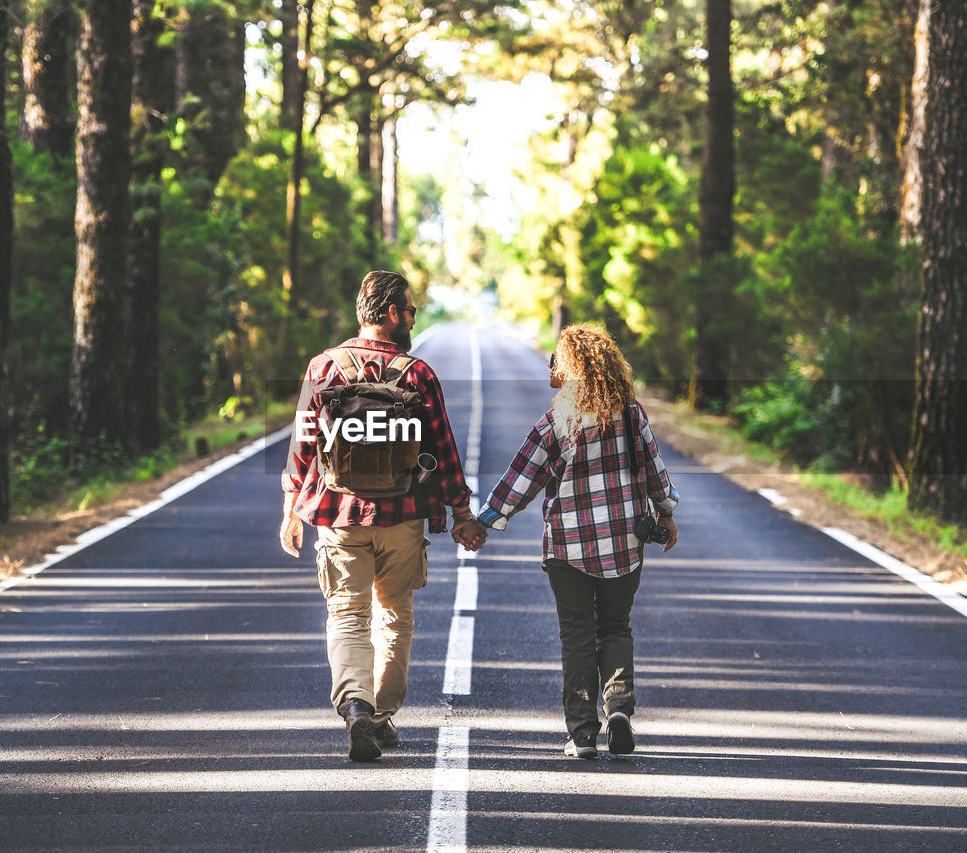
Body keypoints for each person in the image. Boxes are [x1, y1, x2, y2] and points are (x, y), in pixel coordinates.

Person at [280, 270, 486, 762]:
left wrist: (291, 509)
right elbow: (444, 451)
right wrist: (462, 513)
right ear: (392, 314)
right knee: (394, 617)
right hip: (403, 516)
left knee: (347, 614)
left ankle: (355, 704)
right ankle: (381, 714)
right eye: (411, 310)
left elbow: (303, 445)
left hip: (338, 515)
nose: (413, 318)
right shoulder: (417, 375)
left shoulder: (323, 369)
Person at [474, 324, 678, 759]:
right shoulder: (630, 413)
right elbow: (654, 470)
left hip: (567, 546)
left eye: (555, 359)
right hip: (623, 541)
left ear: (569, 368)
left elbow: (520, 481)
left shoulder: (555, 421)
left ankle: (583, 734)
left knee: (578, 637)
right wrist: (666, 513)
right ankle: (619, 707)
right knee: (616, 627)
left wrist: (482, 522)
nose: (549, 366)